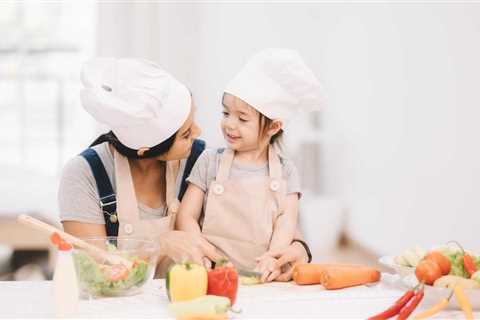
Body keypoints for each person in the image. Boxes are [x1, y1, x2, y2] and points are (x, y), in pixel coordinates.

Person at [58, 57, 312, 278]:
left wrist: (299, 248)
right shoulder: (85, 175)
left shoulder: (201, 157)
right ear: (147, 149)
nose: (200, 134)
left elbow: (267, 216)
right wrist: (160, 244)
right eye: (186, 133)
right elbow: (94, 269)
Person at [176, 48, 324, 281]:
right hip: (211, 274)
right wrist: (198, 250)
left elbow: (286, 221)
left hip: (261, 278)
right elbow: (186, 216)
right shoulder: (209, 161)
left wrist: (273, 259)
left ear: (274, 127)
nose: (229, 124)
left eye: (242, 118)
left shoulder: (286, 171)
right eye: (225, 113)